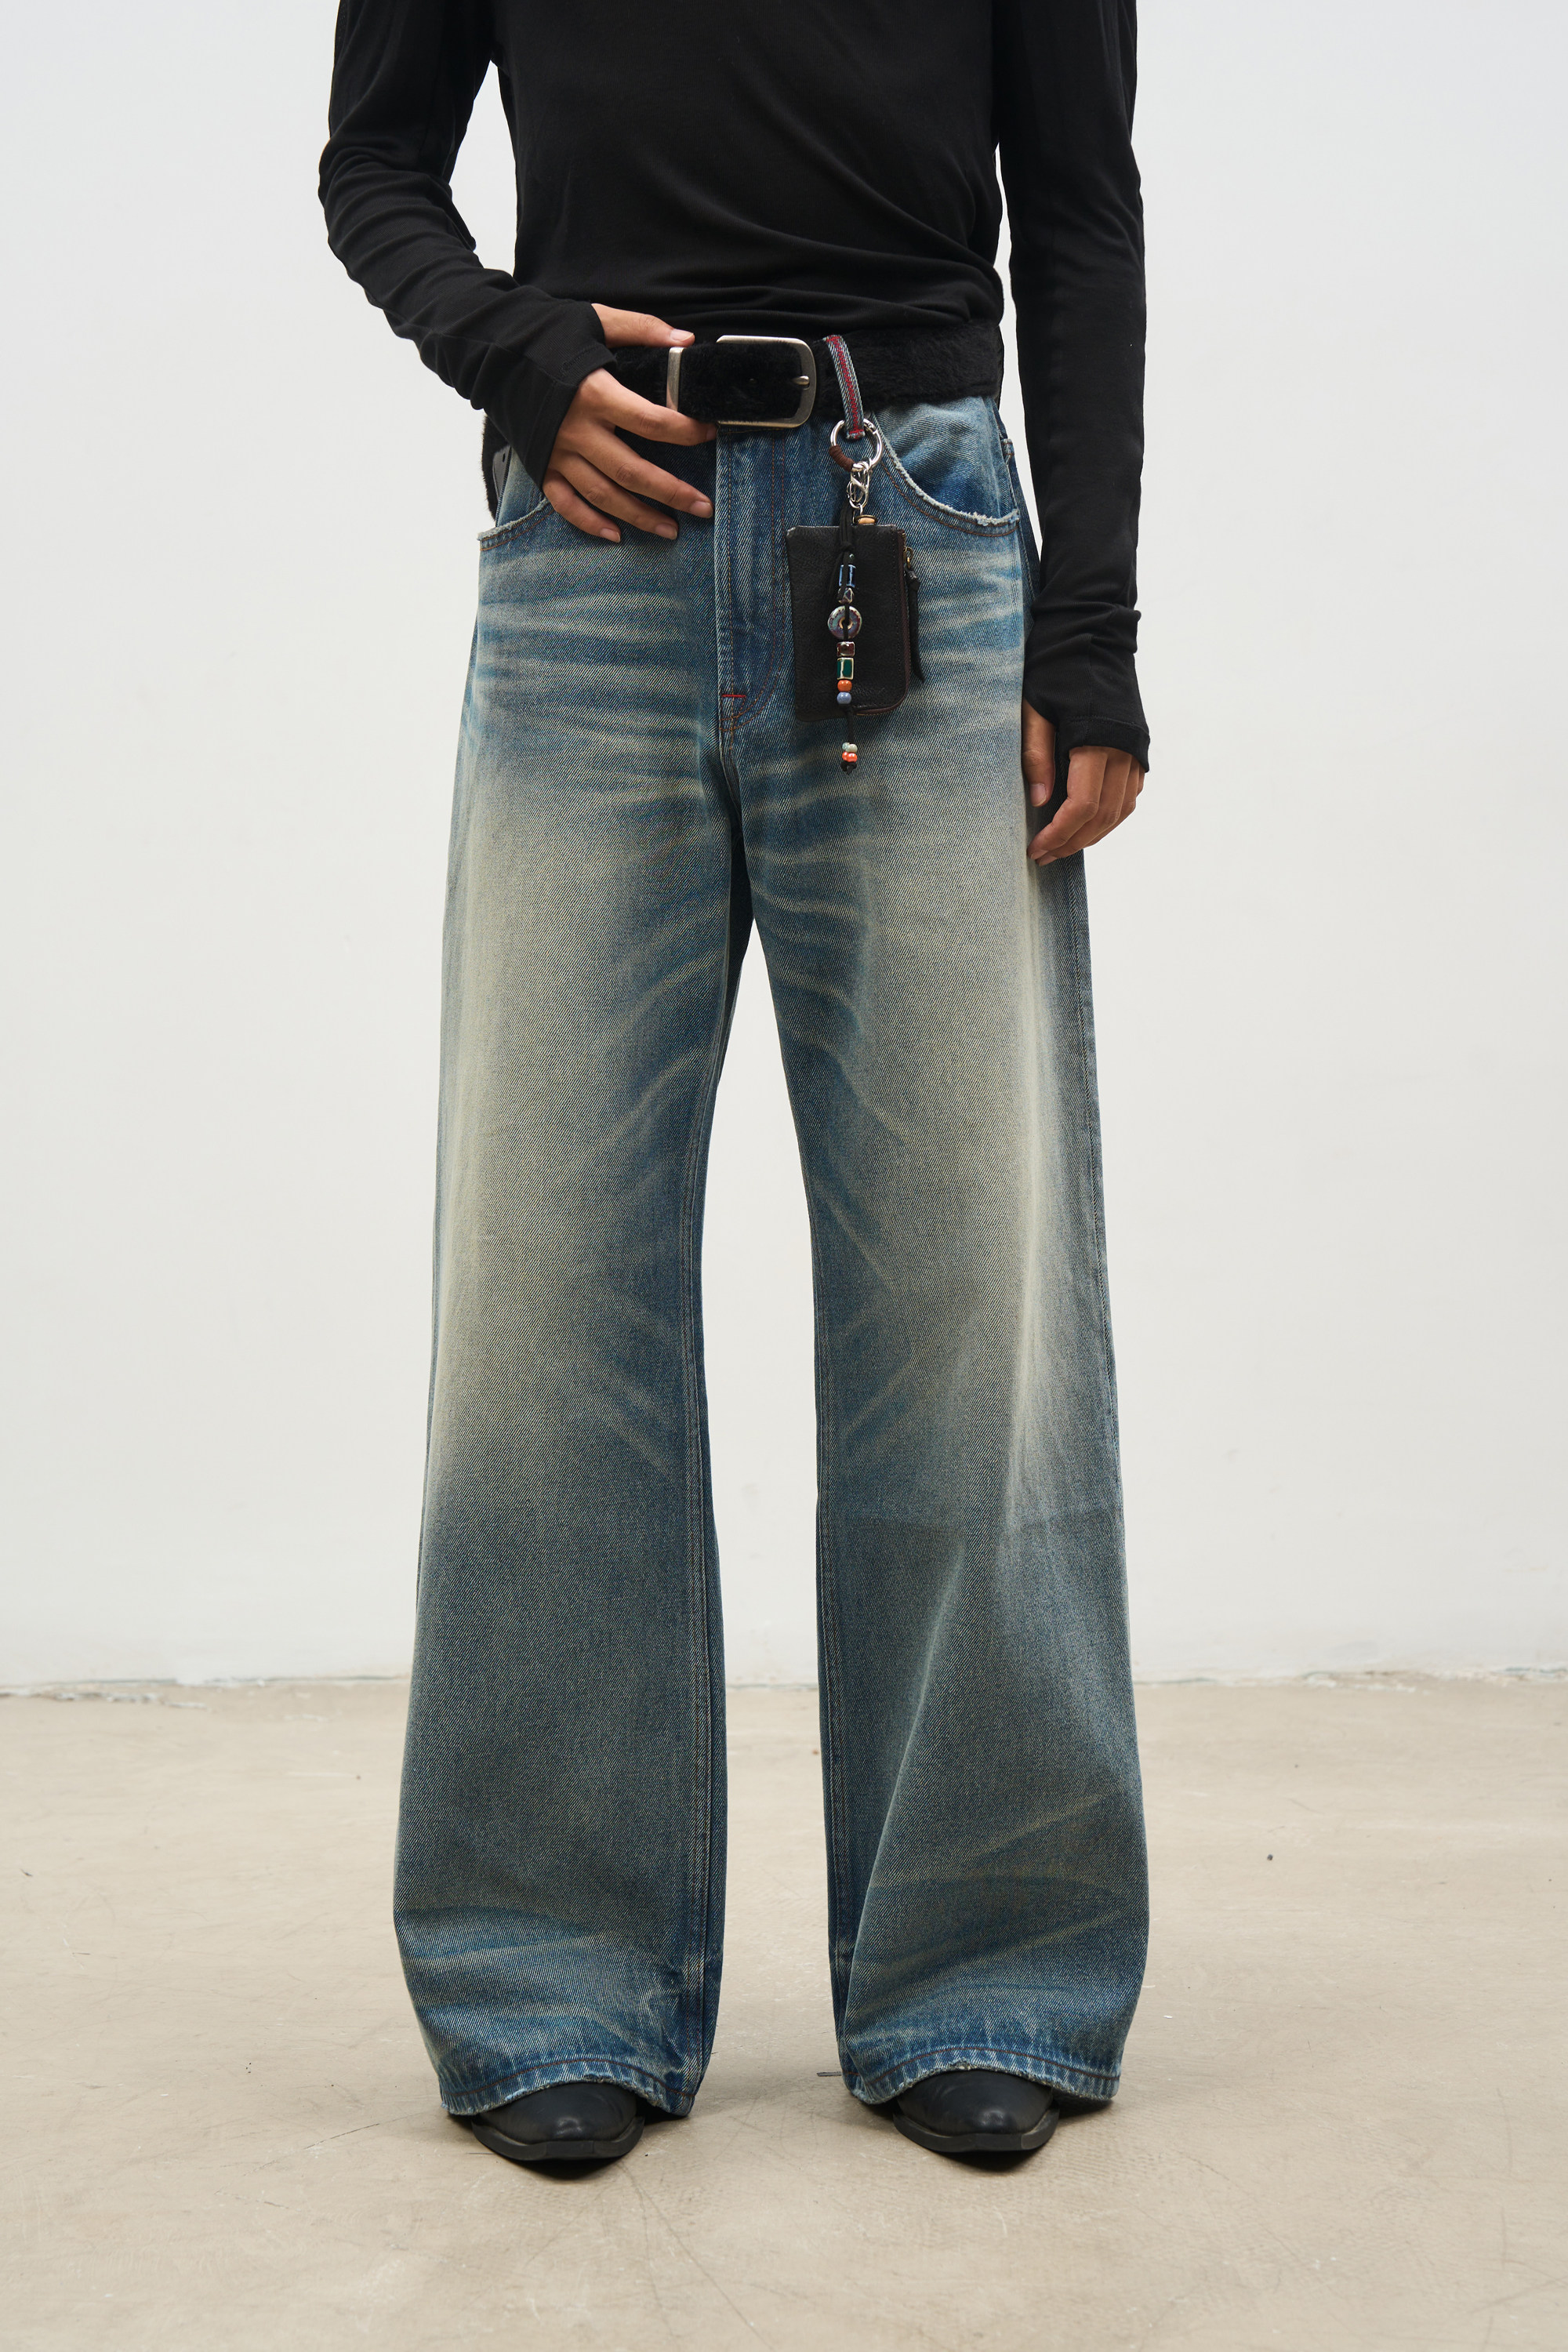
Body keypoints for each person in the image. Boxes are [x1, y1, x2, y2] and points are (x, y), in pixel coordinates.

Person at [319, 0, 1151, 2168]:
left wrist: (1089, 627)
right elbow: (376, 162)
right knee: (544, 1288)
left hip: (919, 530)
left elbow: (1078, 212)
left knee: (966, 1289)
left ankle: (988, 1964)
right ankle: (551, 1974)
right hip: (593, 543)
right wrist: (507, 350)